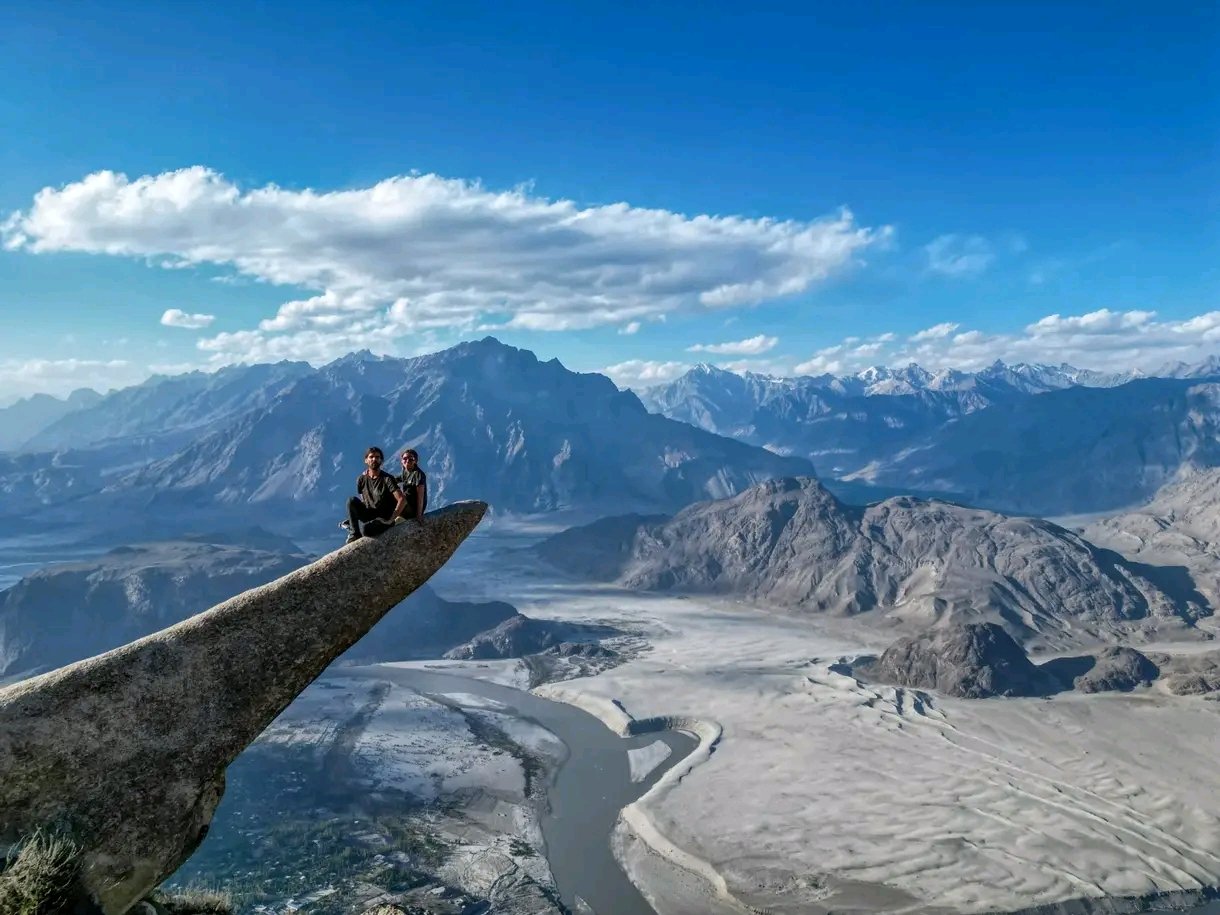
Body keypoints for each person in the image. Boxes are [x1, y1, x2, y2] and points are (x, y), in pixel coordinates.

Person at [344, 446, 405, 543]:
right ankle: (354, 534)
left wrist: (391, 519)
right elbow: (363, 498)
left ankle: (367, 527)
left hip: (384, 518)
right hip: (371, 514)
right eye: (371, 457)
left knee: (366, 530)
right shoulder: (361, 479)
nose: (374, 459)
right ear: (366, 460)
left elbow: (402, 499)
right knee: (351, 501)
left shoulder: (387, 479)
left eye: (377, 457)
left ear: (381, 460)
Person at [396, 448, 428, 520]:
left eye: (410, 459)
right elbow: (393, 480)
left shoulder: (419, 474)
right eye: (405, 458)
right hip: (405, 505)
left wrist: (419, 515)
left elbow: (421, 497)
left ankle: (391, 519)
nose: (407, 461)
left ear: (415, 461)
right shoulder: (405, 471)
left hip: (413, 510)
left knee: (406, 494)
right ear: (401, 461)